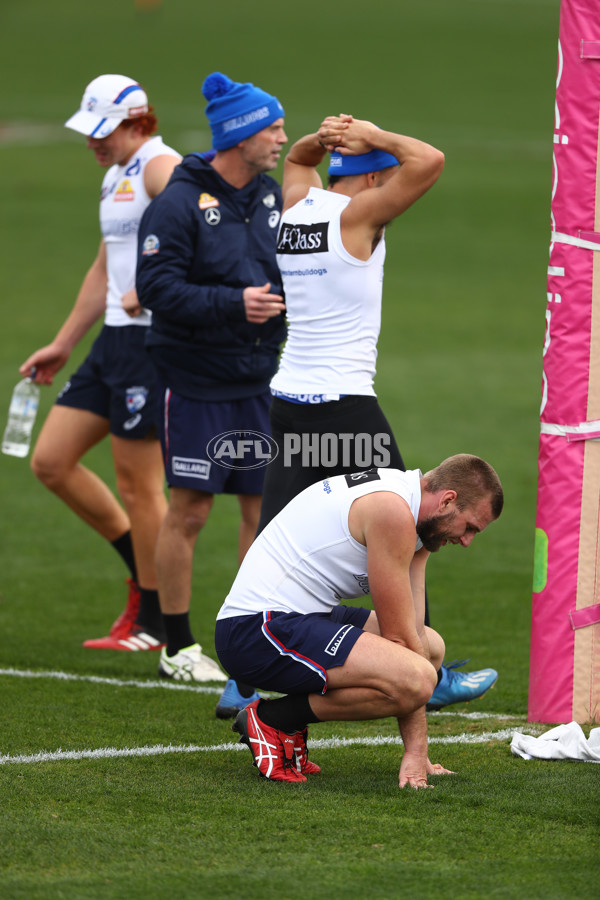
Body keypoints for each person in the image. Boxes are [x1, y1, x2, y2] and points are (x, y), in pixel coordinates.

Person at [257, 114, 498, 710]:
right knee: (415, 528)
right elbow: (431, 160)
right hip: (346, 408)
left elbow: (296, 162)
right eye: (386, 179)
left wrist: (326, 138)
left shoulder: (296, 213)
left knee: (272, 537)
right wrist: (372, 132)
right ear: (372, 182)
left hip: (288, 402)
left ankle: (246, 678)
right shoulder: (357, 217)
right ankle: (423, 670)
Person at [216, 454, 504, 786]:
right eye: (469, 527)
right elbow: (401, 642)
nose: (467, 541)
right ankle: (272, 720)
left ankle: (283, 722)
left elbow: (414, 637)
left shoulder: (415, 513)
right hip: (254, 631)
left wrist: (418, 751)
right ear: (448, 501)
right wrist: (416, 750)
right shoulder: (392, 511)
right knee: (418, 678)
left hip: (297, 616)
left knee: (432, 650)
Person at [19, 74, 181, 650]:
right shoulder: (117, 174)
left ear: (138, 122)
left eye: (102, 131)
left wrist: (156, 289)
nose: (92, 142)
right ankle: (143, 578)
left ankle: (160, 622)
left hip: (150, 346)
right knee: (51, 461)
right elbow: (103, 269)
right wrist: (63, 342)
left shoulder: (161, 167)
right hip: (110, 344)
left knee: (141, 487)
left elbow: (206, 235)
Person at [135, 72, 287, 686]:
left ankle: (249, 641)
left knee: (260, 510)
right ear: (240, 135)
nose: (281, 138)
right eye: (271, 128)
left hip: (256, 379)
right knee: (192, 510)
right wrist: (233, 304)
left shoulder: (271, 195)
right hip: (195, 381)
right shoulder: (178, 202)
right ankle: (177, 644)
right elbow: (154, 288)